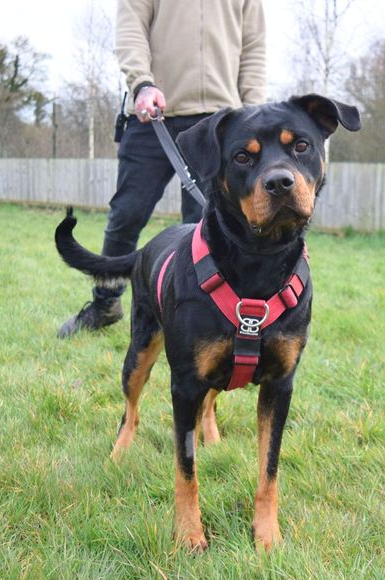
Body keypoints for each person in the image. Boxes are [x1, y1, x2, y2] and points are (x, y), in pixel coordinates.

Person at [58, 0, 267, 337]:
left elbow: (254, 46)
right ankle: (105, 303)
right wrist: (142, 83)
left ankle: (205, 313)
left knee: (206, 225)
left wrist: (252, 112)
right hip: (151, 114)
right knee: (126, 214)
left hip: (217, 122)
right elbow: (131, 31)